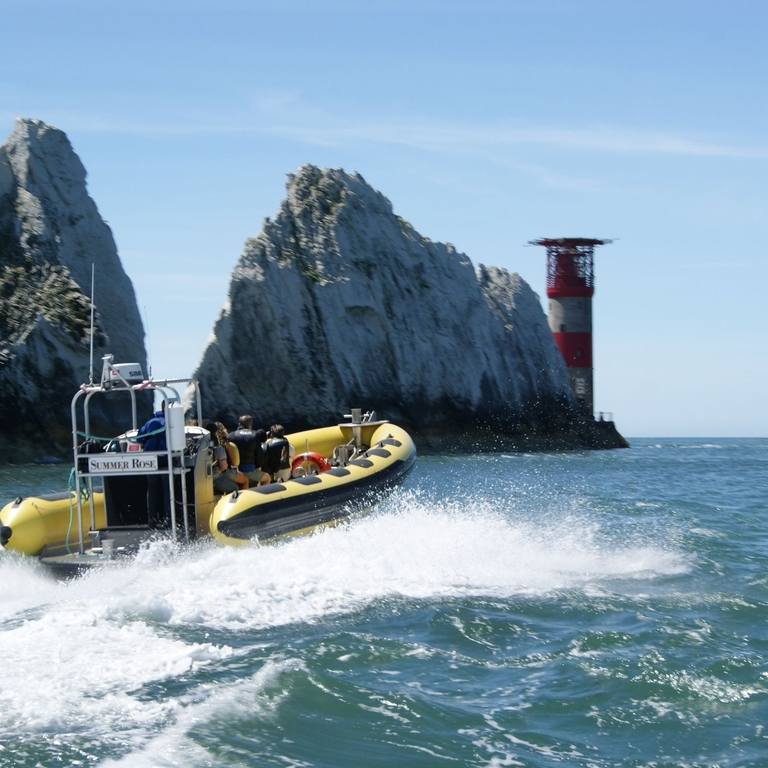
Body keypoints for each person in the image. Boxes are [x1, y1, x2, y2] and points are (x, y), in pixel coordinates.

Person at [137, 403, 170, 528]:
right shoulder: (172, 423)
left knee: (152, 489)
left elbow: (139, 438)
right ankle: (169, 519)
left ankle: (152, 519)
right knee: (167, 489)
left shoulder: (151, 422)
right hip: (166, 459)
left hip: (150, 459)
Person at [227, 415, 271, 486]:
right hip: (249, 471)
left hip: (235, 471)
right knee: (267, 478)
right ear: (251, 424)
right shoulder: (255, 435)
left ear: (239, 424)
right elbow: (259, 455)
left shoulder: (230, 436)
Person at [206, 421, 240, 495]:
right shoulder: (218, 448)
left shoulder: (199, 446)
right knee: (235, 488)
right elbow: (223, 468)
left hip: (200, 477)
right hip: (215, 478)